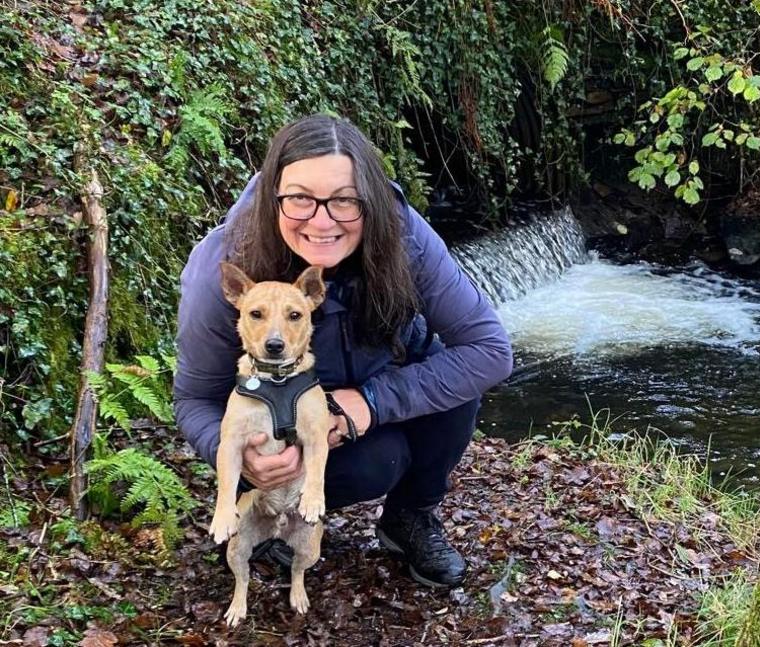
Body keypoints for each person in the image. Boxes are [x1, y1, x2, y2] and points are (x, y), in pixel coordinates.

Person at [174, 113, 513, 588]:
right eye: (299, 200)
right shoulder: (223, 269)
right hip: (286, 426)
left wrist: (370, 402)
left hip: (375, 391)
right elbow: (193, 399)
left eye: (344, 200)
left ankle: (410, 517)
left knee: (455, 389)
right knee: (379, 461)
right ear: (274, 194)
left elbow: (489, 350)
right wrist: (237, 456)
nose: (322, 220)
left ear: (369, 200)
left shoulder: (404, 236)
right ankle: (268, 518)